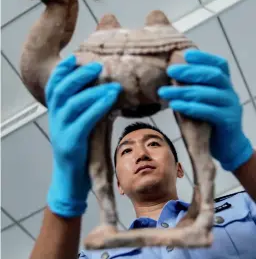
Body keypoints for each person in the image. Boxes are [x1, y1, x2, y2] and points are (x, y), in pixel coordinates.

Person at [29, 50, 256, 259]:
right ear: (118, 184)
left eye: (154, 144)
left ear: (179, 169)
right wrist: (65, 196)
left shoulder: (244, 206)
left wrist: (242, 156)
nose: (142, 154)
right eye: (127, 150)